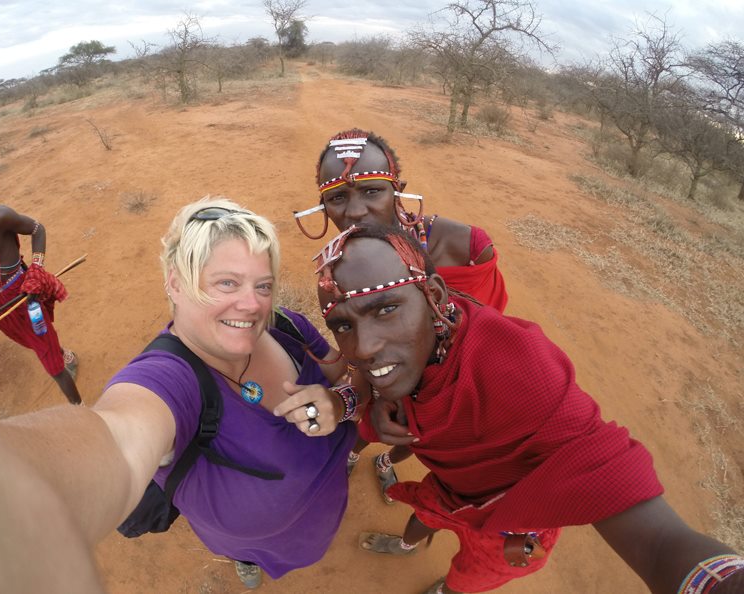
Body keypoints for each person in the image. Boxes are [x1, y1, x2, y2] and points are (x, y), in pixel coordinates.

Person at [0, 197, 364, 592]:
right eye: (227, 282)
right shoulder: (170, 379)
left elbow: (340, 370)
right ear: (175, 282)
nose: (252, 305)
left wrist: (340, 401)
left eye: (263, 286)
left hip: (325, 509)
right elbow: (119, 437)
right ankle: (247, 559)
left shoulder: (284, 325)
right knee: (251, 551)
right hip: (259, 538)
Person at [312, 224, 744, 594]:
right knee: (426, 516)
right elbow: (365, 365)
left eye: (385, 309)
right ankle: (408, 546)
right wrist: (376, 396)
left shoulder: (520, 368)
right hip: (448, 490)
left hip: (508, 524)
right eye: (343, 326)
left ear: (434, 295)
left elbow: (657, 541)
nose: (363, 347)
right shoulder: (407, 349)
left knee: (469, 577)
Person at [295, 129, 508, 501]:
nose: (356, 211)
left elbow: (483, 335)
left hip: (446, 392)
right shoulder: (340, 263)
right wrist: (365, 395)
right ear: (323, 205)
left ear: (399, 189)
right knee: (369, 427)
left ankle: (388, 462)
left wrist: (415, 397)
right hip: (383, 377)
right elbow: (362, 344)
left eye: (373, 190)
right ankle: (352, 453)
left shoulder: (467, 249)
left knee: (411, 436)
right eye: (337, 198)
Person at [0, 186, 81, 404]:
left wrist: (36, 272)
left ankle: (81, 409)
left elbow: (38, 229)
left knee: (51, 362)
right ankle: (64, 354)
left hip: (25, 298)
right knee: (33, 340)